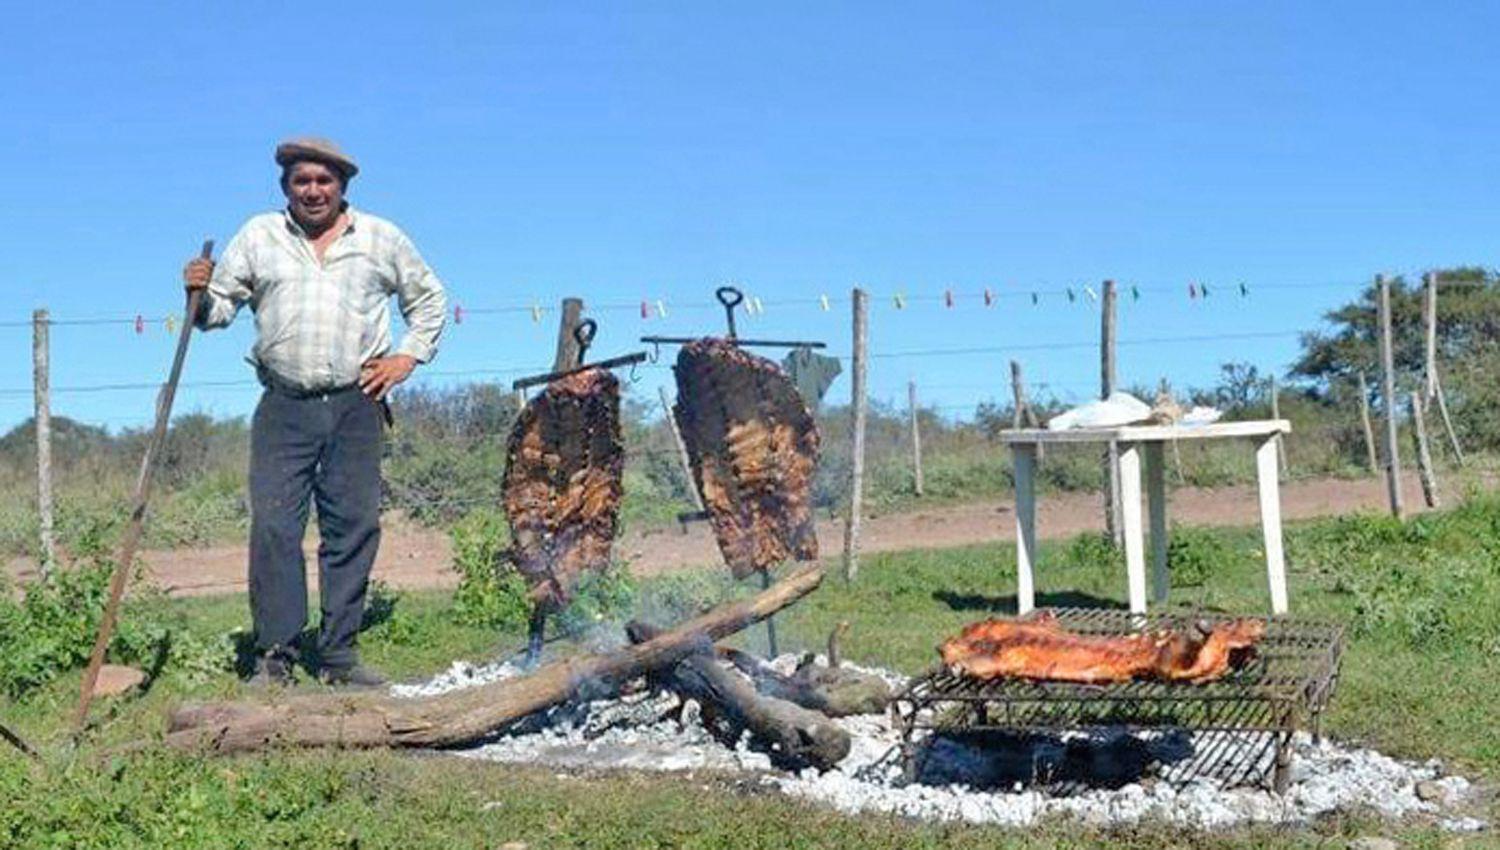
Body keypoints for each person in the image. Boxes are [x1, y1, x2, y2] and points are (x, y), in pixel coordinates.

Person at [182, 137, 447, 687]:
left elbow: (429, 300)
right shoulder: (260, 235)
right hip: (284, 405)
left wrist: (406, 357)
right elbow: (218, 312)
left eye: (324, 181)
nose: (313, 190)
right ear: (286, 188)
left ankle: (338, 656)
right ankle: (276, 653)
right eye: (302, 181)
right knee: (276, 527)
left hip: (358, 402)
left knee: (352, 526)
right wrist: (198, 295)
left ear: (342, 187)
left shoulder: (380, 238)